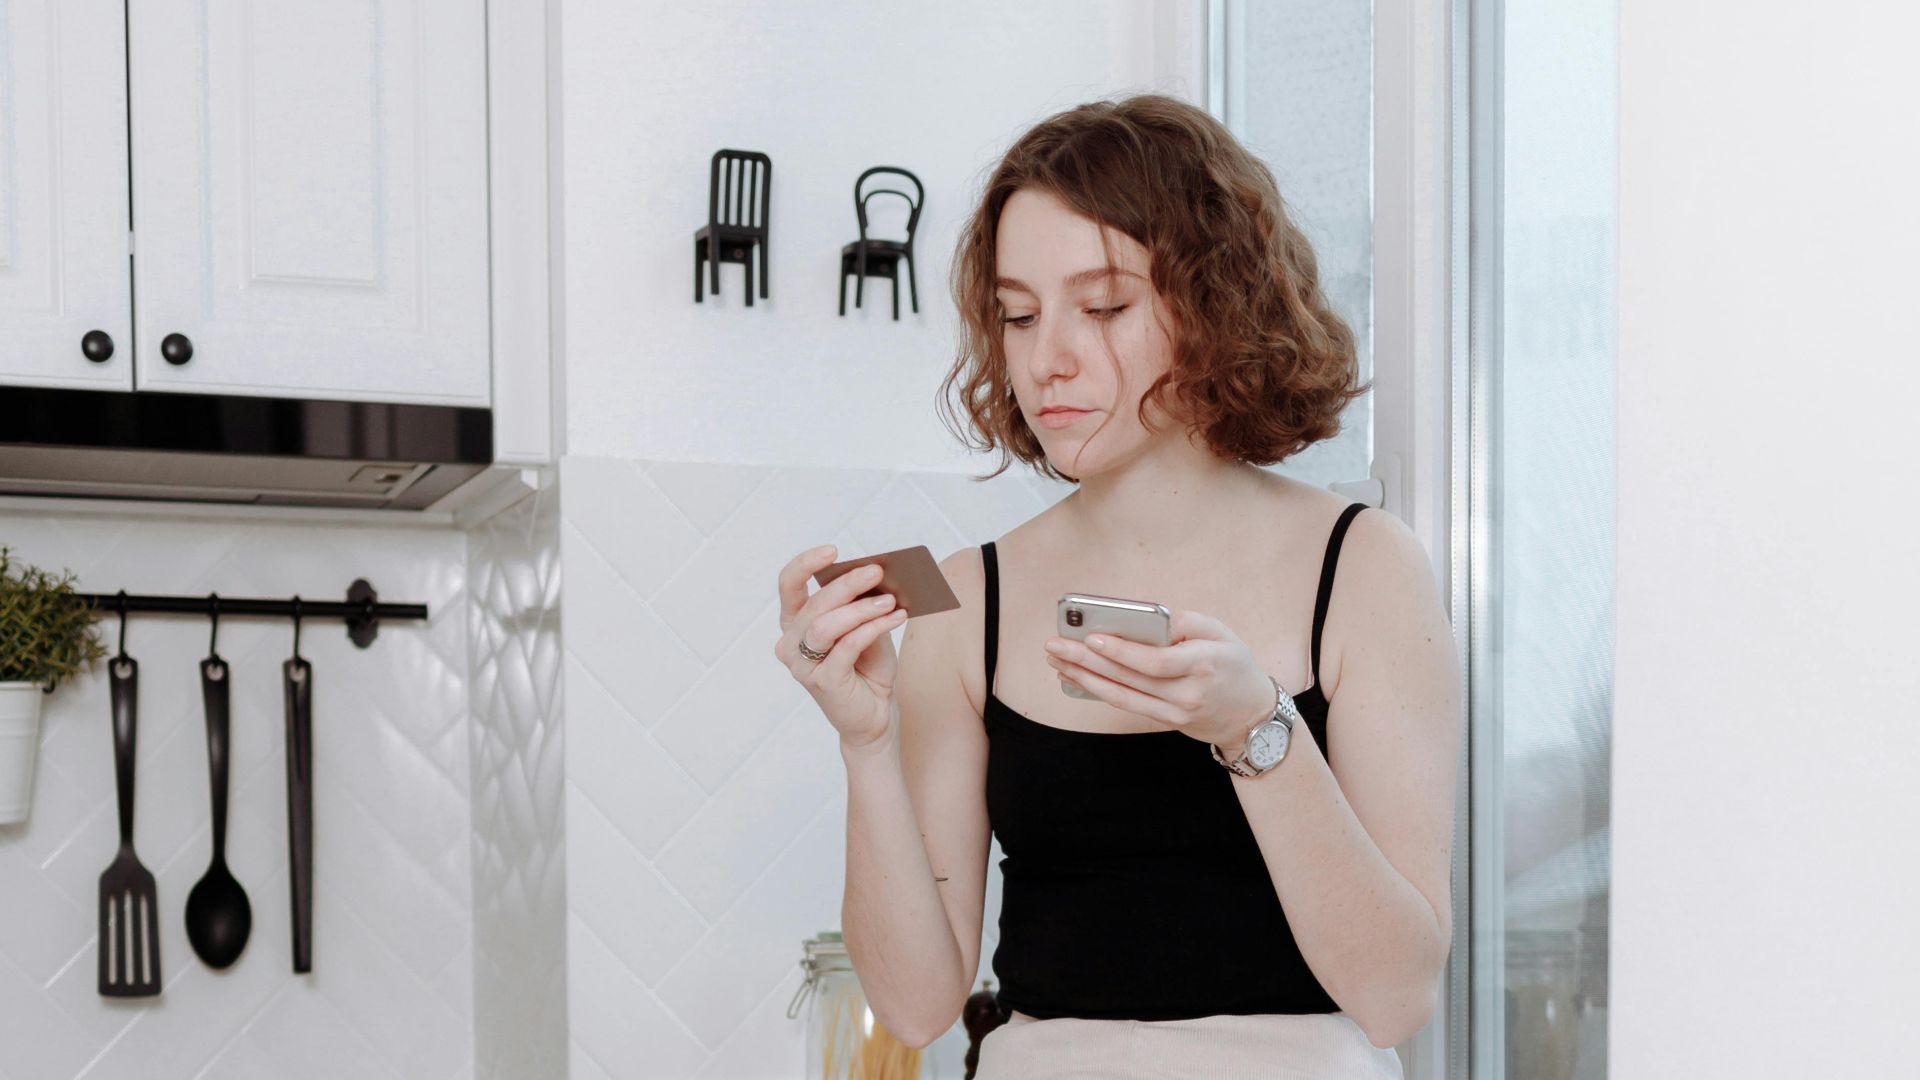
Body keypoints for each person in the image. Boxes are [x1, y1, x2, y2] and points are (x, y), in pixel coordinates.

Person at [774, 93, 1460, 1079]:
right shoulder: (968, 602)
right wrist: (864, 740)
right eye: (1018, 314)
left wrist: (1255, 729)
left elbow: (1396, 996)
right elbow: (917, 1006)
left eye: (1102, 308)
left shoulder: (1365, 568)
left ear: (1211, 303)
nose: (1046, 358)